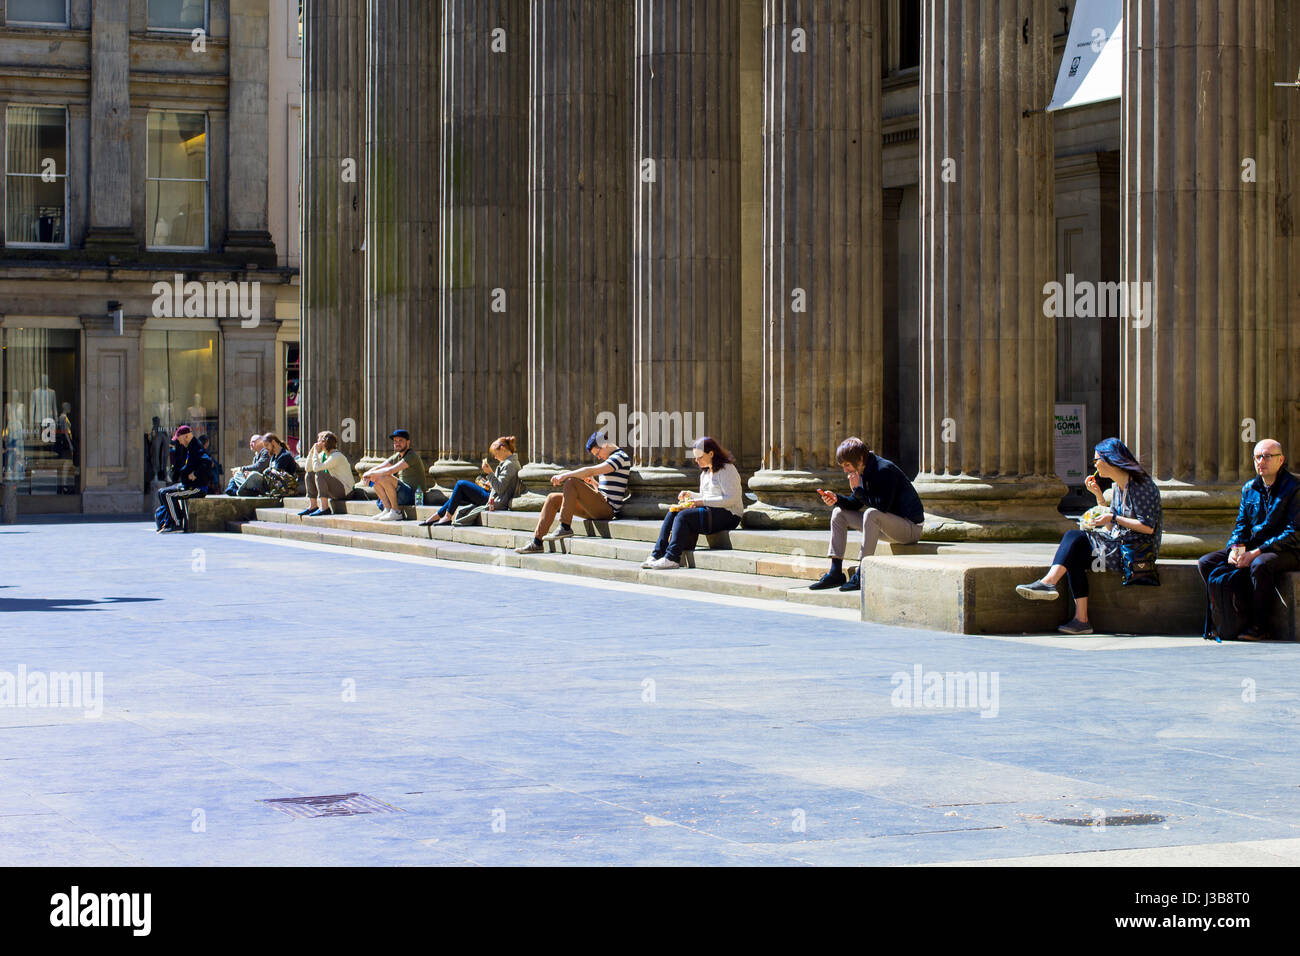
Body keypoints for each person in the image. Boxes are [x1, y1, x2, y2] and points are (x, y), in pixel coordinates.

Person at [1016, 437, 1162, 635]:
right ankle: (1081, 620)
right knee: (1074, 554)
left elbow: (1147, 527)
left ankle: (1049, 583)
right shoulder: (1118, 487)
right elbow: (1112, 525)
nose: (1094, 465)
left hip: (1134, 554)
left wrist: (1113, 517)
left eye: (1096, 460)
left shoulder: (1141, 486)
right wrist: (1099, 497)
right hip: (1118, 545)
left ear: (1109, 460)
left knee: (1074, 537)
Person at [1198, 439, 1300, 641]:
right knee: (1206, 562)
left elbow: (1295, 532)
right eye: (1257, 457)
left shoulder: (1295, 488)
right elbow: (1241, 524)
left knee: (1260, 564)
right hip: (1256, 547)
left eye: (1267, 456)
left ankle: (1260, 627)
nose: (1261, 461)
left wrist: (1257, 551)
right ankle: (1228, 618)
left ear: (1281, 460)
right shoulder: (1249, 488)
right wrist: (1235, 549)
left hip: (1289, 549)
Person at [809, 437, 926, 592]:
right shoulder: (863, 469)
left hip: (910, 529)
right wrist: (837, 499)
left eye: (847, 465)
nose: (845, 470)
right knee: (838, 513)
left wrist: (857, 490)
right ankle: (835, 572)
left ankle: (862, 572)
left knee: (871, 514)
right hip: (886, 526)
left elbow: (881, 506)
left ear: (860, 459)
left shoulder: (883, 469)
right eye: (843, 466)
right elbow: (856, 503)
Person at [515, 431, 631, 554]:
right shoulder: (611, 458)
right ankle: (537, 543)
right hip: (600, 504)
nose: (598, 457)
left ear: (605, 444)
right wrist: (593, 483)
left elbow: (589, 471)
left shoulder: (620, 457)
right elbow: (604, 490)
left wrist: (564, 475)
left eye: (597, 453)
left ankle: (565, 527)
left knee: (571, 481)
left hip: (607, 509)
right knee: (552, 498)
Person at [640, 437, 744, 570]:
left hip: (730, 515)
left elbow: (732, 499)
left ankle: (672, 558)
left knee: (684, 516)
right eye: (695, 457)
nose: (697, 461)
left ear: (711, 454)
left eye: (699, 457)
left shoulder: (727, 469)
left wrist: (700, 501)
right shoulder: (705, 473)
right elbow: (707, 496)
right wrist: (690, 495)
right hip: (712, 511)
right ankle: (657, 554)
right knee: (674, 511)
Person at [421, 435, 524, 527]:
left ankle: (445, 516)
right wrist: (489, 483)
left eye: (495, 453)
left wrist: (489, 473)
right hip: (494, 497)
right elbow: (501, 486)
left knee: (461, 485)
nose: (495, 457)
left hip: (495, 501)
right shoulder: (510, 463)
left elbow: (500, 489)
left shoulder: (509, 465)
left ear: (502, 449)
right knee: (459, 492)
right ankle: (440, 515)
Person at [156, 425, 213, 533]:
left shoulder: (196, 447)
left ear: (186, 436)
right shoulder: (191, 447)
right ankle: (167, 522)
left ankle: (177, 524)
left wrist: (195, 474)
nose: (180, 442)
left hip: (197, 488)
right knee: (161, 492)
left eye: (180, 439)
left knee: (168, 495)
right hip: (188, 485)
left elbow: (207, 462)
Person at [361, 428, 427, 522]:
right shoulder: (397, 456)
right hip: (402, 493)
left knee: (384, 476)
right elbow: (380, 467)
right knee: (376, 477)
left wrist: (371, 473)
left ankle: (396, 512)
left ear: (408, 443)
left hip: (415, 496)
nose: (397, 443)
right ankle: (387, 509)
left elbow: (391, 470)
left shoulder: (412, 456)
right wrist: (366, 475)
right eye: (395, 441)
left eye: (400, 440)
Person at [299, 431, 355, 516]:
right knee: (309, 475)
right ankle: (313, 506)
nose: (317, 443)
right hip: (335, 489)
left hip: (346, 491)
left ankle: (324, 507)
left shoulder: (336, 456)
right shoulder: (323, 455)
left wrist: (316, 452)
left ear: (325, 442)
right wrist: (312, 453)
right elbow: (308, 468)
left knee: (320, 474)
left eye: (319, 440)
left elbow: (316, 468)